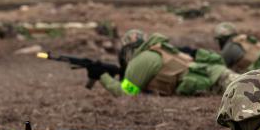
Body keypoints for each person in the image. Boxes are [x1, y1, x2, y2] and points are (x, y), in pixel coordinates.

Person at [95, 29, 240, 97]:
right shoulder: (155, 51)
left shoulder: (140, 60)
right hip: (215, 75)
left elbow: (126, 92)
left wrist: (102, 76)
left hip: (217, 79)